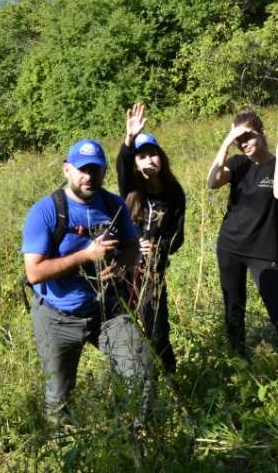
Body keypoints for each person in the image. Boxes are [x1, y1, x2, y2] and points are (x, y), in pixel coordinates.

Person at [22, 139, 151, 425]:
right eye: (82, 169)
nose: (88, 177)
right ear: (67, 169)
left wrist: (119, 267)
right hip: (56, 316)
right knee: (59, 395)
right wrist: (86, 256)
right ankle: (63, 453)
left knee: (141, 370)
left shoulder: (113, 204)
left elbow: (131, 245)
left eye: (96, 169)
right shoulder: (44, 211)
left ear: (105, 172)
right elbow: (34, 273)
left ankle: (141, 438)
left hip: (106, 312)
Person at [207, 109, 278, 360]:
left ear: (262, 133)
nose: (244, 143)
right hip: (230, 246)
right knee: (234, 307)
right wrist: (226, 143)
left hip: (262, 249)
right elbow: (213, 182)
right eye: (239, 139)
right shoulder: (238, 163)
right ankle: (239, 359)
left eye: (248, 136)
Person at [117, 103, 186, 374]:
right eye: (142, 156)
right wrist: (129, 138)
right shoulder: (131, 189)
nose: (149, 160)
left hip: (153, 275)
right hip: (123, 270)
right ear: (136, 163)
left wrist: (159, 247)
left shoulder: (174, 193)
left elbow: (178, 236)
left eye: (153, 154)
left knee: (158, 331)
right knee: (123, 327)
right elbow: (121, 164)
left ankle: (169, 377)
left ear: (161, 157)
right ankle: (134, 377)